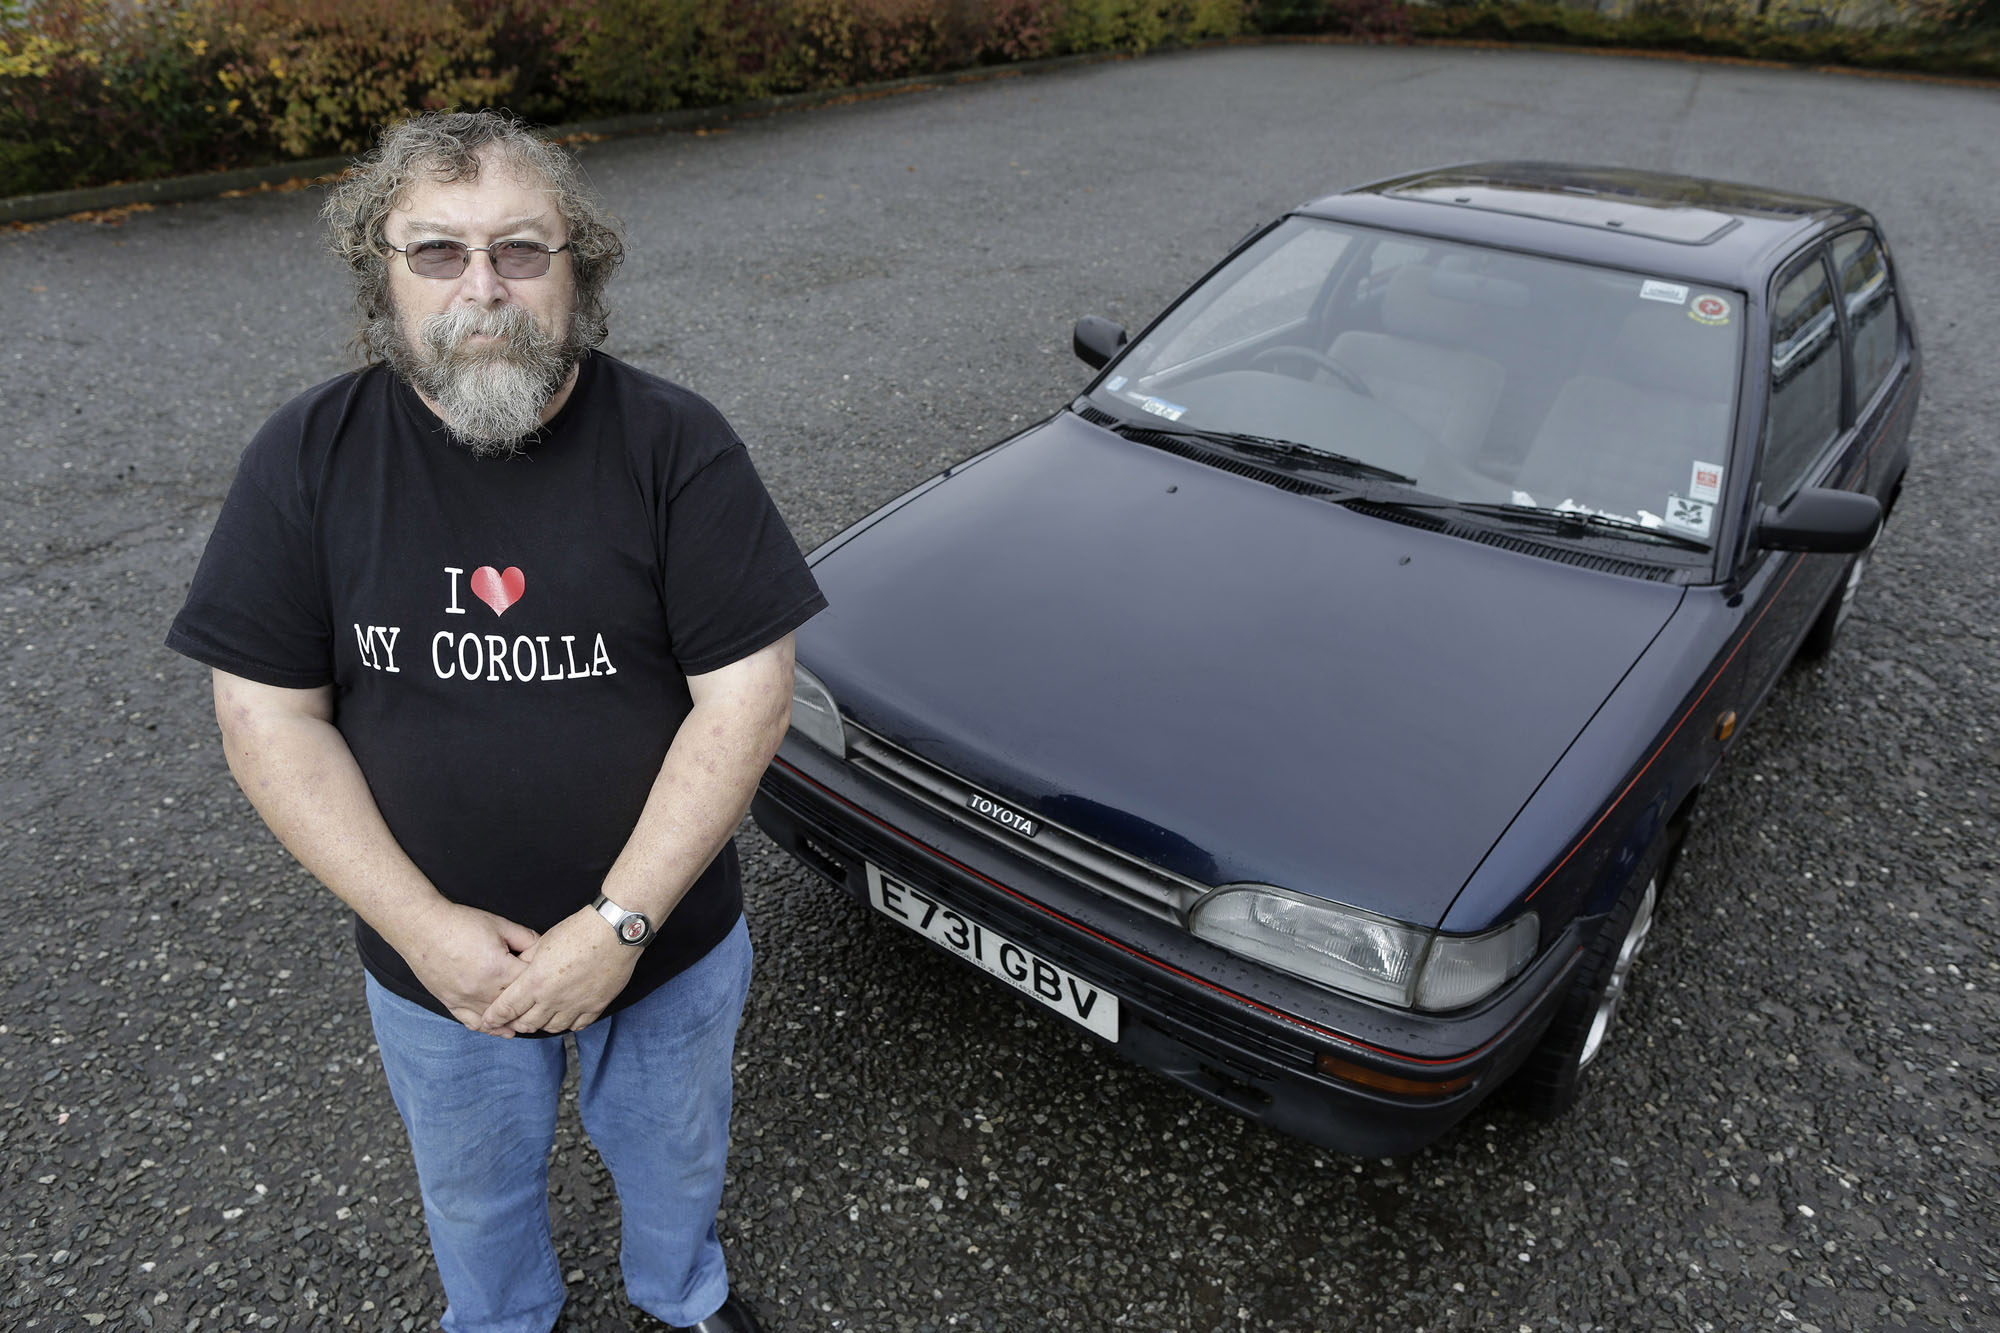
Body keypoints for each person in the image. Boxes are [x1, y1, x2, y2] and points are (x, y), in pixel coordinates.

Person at [166, 109, 823, 1333]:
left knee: (675, 1158)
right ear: (382, 271)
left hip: (666, 941)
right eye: (437, 253)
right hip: (434, 968)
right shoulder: (306, 454)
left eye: (522, 250)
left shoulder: (674, 441)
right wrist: (421, 928)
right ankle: (504, 1320)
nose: (484, 288)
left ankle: (680, 1298)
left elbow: (748, 693)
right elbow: (267, 714)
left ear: (579, 269)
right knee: (470, 1191)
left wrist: (619, 924)